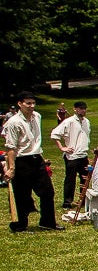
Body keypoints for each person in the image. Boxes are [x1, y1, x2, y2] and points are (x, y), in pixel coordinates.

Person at [3, 91, 62, 232]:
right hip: (22, 160)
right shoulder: (13, 123)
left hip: (37, 159)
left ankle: (47, 222)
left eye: (33, 103)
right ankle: (20, 225)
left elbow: (35, 140)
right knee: (22, 194)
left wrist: (41, 156)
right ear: (20, 104)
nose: (31, 106)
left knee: (48, 192)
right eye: (28, 103)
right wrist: (11, 168)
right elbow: (10, 147)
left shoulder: (37, 116)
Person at [50, 101, 90, 209]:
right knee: (70, 179)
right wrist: (62, 148)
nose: (83, 110)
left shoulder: (86, 122)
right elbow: (54, 134)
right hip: (72, 156)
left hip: (83, 155)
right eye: (81, 108)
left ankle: (83, 200)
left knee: (85, 179)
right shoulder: (69, 121)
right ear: (75, 109)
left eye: (84, 108)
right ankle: (67, 202)